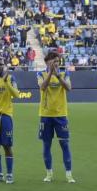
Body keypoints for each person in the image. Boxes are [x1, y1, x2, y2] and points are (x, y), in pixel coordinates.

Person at [38, 51, 74, 183]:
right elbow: (42, 87)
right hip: (46, 115)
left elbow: (69, 87)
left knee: (64, 144)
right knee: (47, 145)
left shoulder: (64, 74)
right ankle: (49, 174)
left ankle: (69, 175)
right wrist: (50, 74)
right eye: (53, 61)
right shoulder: (40, 74)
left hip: (61, 115)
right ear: (47, 62)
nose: (56, 64)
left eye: (58, 61)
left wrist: (58, 76)